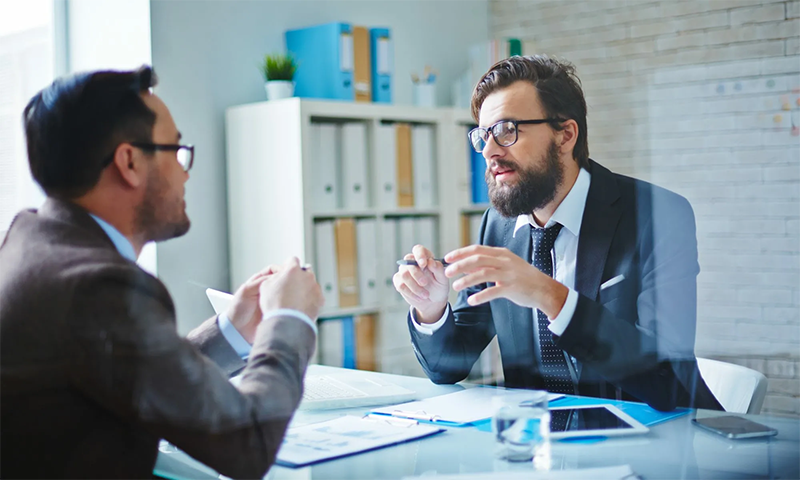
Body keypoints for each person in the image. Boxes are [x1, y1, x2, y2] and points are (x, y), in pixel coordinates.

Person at [0, 66, 324, 478]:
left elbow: (130, 373)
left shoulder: (30, 243)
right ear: (129, 162)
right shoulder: (96, 285)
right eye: (175, 149)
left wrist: (233, 328)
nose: (186, 171)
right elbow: (248, 442)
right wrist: (288, 319)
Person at [394, 55, 722, 412]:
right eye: (484, 136)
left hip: (651, 446)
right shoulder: (499, 227)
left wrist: (550, 296)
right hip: (539, 449)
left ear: (565, 135)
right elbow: (449, 366)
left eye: (507, 130)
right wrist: (432, 310)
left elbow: (668, 381)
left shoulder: (657, 215)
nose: (489, 150)